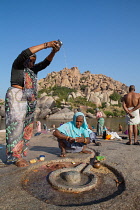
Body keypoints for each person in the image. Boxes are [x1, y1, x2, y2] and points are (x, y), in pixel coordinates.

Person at [5, 40, 61, 167]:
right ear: (24, 60)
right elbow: (25, 53)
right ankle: (15, 157)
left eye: (33, 61)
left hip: (30, 99)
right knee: (16, 126)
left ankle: (22, 152)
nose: (31, 63)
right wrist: (47, 45)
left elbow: (45, 64)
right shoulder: (18, 65)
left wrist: (54, 51)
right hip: (17, 96)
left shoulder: (32, 70)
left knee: (27, 127)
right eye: (30, 60)